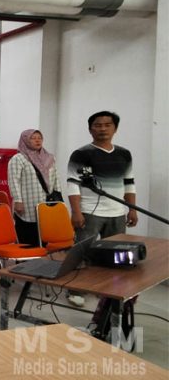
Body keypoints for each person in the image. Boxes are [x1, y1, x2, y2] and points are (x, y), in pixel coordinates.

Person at [66, 111, 137, 308]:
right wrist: (76, 212)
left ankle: (106, 290)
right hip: (90, 212)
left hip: (117, 212)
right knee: (82, 253)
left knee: (114, 254)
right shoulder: (81, 154)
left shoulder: (124, 154)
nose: (102, 129)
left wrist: (132, 209)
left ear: (115, 128)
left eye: (107, 125)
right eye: (97, 125)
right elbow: (72, 184)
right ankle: (75, 289)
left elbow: (129, 182)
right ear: (90, 129)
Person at [7, 129, 61, 246]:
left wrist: (58, 196)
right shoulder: (18, 159)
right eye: (33, 138)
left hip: (47, 202)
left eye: (40, 138)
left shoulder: (50, 158)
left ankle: (42, 257)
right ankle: (28, 258)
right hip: (27, 204)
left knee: (46, 236)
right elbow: (14, 181)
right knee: (29, 239)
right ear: (25, 140)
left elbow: (56, 178)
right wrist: (18, 201)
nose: (37, 140)